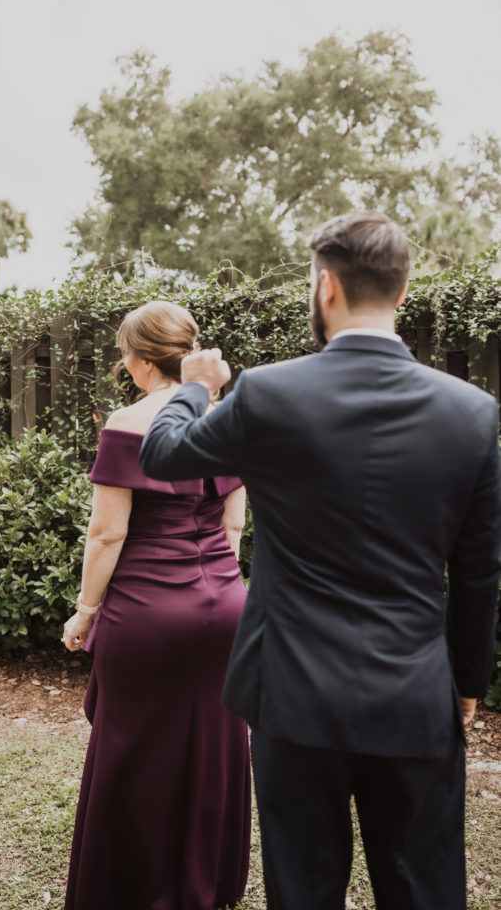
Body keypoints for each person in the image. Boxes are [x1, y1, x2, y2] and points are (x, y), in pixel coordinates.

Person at [139, 211, 501, 910]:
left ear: (324, 287)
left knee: (302, 890)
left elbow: (162, 455)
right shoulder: (471, 412)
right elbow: (479, 570)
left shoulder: (270, 393)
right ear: (401, 292)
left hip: (294, 697)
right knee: (422, 887)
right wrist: (463, 685)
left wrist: (192, 386)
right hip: (414, 696)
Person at [61, 300, 251, 910]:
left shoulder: (127, 421)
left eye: (126, 357)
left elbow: (107, 534)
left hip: (145, 610)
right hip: (225, 604)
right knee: (214, 744)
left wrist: (85, 612)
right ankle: (206, 882)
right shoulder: (228, 420)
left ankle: (131, 887)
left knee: (135, 744)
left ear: (143, 362)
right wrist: (220, 588)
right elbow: (234, 526)